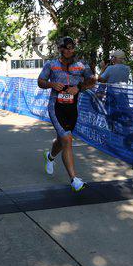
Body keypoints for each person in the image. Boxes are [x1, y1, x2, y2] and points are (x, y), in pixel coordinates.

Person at [38, 37, 96, 192]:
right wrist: (51, 84)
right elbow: (40, 81)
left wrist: (79, 87)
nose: (71, 51)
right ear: (60, 49)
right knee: (67, 139)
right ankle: (74, 180)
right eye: (67, 48)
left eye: (72, 48)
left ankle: (50, 156)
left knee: (62, 139)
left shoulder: (81, 65)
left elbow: (92, 80)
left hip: (72, 108)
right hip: (55, 107)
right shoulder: (51, 64)